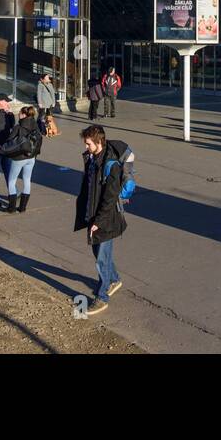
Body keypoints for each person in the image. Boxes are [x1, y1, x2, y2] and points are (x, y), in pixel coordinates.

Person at [74, 124, 127, 315]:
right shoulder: (92, 158)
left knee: (101, 260)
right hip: (93, 215)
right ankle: (114, 279)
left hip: (105, 219)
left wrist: (98, 221)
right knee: (100, 254)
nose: (86, 147)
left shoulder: (110, 165)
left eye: (88, 144)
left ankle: (102, 297)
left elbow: (109, 198)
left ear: (99, 142)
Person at [0, 105, 49, 213]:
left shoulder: (18, 127)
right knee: (27, 180)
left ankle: (11, 208)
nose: (18, 114)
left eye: (20, 113)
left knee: (11, 181)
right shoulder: (35, 125)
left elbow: (10, 141)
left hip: (19, 158)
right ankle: (22, 207)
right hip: (31, 157)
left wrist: (0, 148)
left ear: (24, 114)